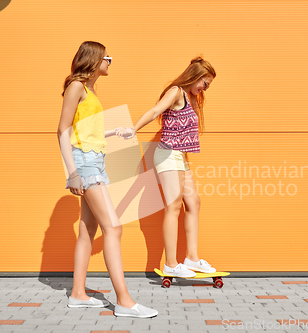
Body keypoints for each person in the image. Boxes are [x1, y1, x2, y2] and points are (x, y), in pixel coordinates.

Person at [57, 41, 157, 318]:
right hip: (85, 164)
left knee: (88, 230)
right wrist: (72, 173)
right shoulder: (76, 86)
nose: (110, 62)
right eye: (108, 57)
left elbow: (85, 130)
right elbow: (63, 130)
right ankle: (124, 302)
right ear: (95, 59)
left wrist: (115, 132)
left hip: (95, 159)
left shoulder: (89, 90)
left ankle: (78, 295)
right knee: (114, 229)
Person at [119, 57, 217, 278]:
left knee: (194, 203)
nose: (205, 88)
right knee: (173, 207)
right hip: (168, 155)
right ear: (196, 76)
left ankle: (192, 257)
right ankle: (170, 263)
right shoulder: (176, 92)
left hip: (180, 157)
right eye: (205, 83)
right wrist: (134, 129)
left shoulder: (193, 98)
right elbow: (154, 112)